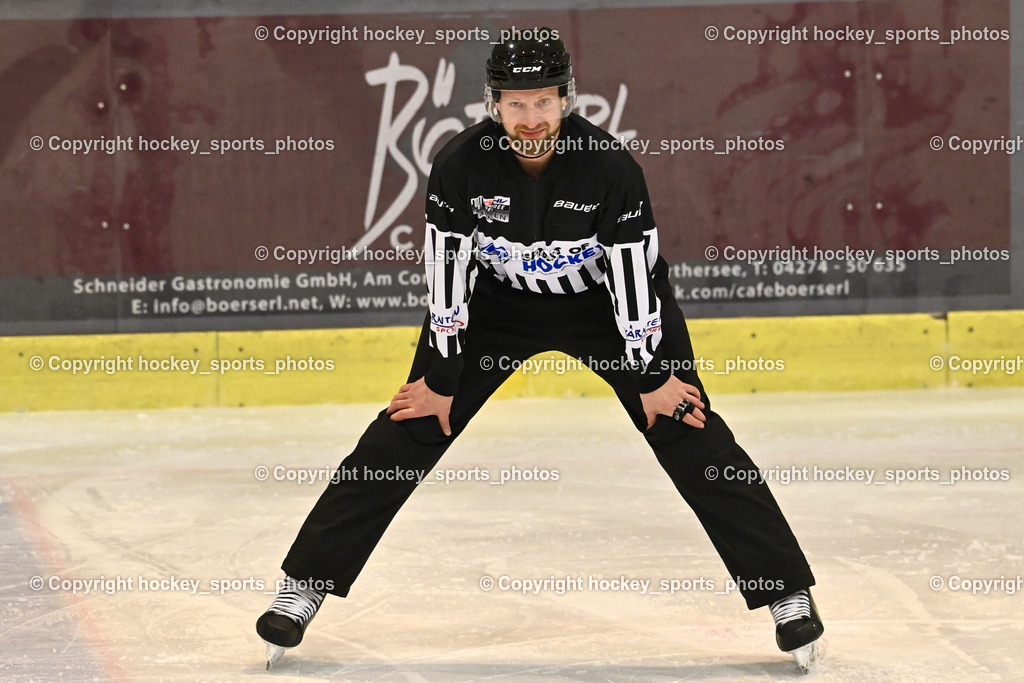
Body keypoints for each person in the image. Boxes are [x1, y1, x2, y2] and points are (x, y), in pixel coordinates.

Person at [257, 29, 824, 672]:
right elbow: (446, 278)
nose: (531, 119)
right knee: (407, 427)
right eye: (517, 104)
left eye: (544, 102)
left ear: (567, 100)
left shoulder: (610, 168)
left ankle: (786, 593)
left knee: (687, 423)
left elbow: (637, 278)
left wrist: (651, 374)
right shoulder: (459, 165)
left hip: (605, 309)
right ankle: (305, 583)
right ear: (493, 103)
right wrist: (442, 378)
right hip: (497, 309)